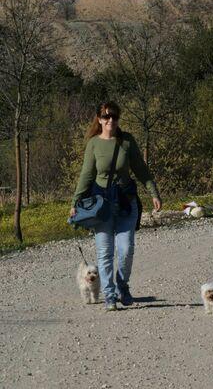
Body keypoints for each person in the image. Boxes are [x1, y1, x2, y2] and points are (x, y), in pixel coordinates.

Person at [70, 101, 162, 311]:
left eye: (114, 116)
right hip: (102, 206)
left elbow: (141, 170)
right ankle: (110, 295)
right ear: (99, 119)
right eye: (106, 116)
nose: (110, 120)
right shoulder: (93, 144)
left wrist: (154, 193)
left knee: (126, 249)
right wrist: (75, 202)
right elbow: (86, 175)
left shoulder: (127, 141)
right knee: (104, 252)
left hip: (126, 203)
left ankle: (122, 285)